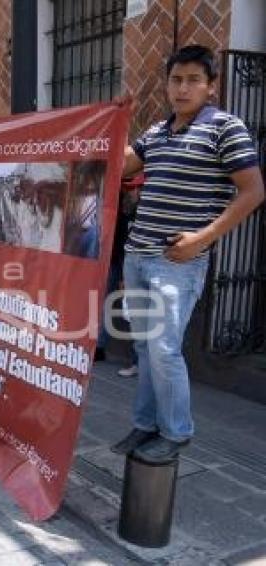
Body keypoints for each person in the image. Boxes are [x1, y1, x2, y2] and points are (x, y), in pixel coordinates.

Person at [112, 45, 265, 463]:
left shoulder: (225, 128)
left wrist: (204, 238)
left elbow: (253, 192)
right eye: (176, 79)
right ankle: (145, 425)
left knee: (163, 348)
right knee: (143, 348)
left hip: (177, 261)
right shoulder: (158, 131)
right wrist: (111, 128)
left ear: (211, 86)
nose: (183, 88)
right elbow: (123, 166)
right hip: (137, 254)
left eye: (194, 80)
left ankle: (176, 432)